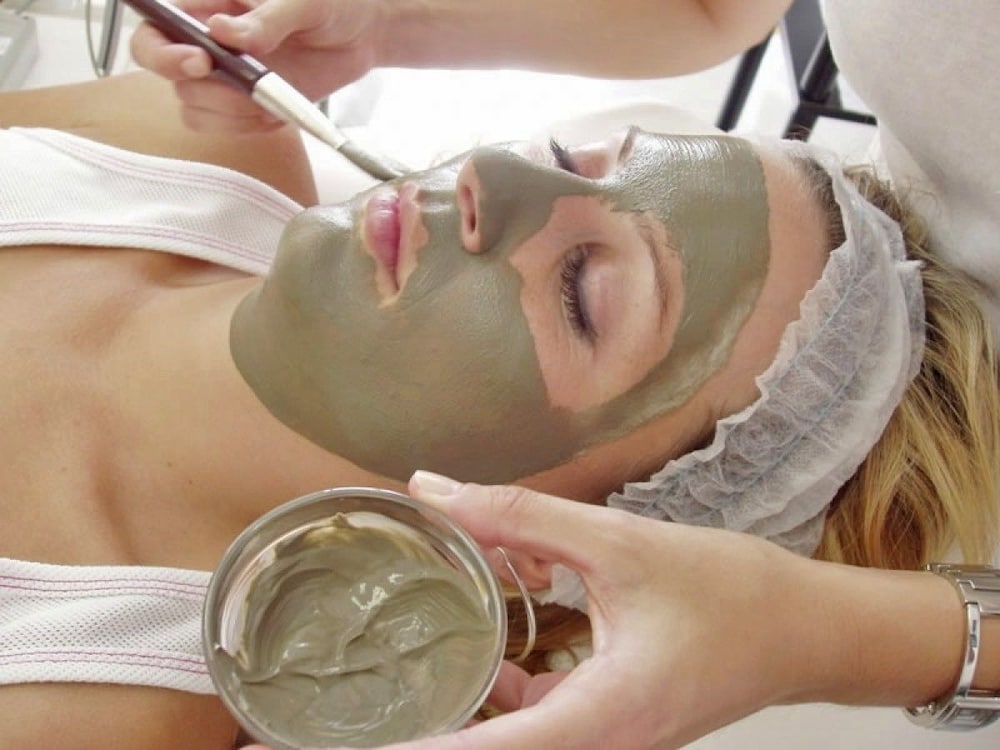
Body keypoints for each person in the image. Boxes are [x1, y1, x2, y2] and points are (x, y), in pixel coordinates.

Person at [0, 53, 994, 750]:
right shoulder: (190, 140)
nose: (492, 178)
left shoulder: (81, 710)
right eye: (569, 161)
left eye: (583, 294)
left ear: (554, 546)